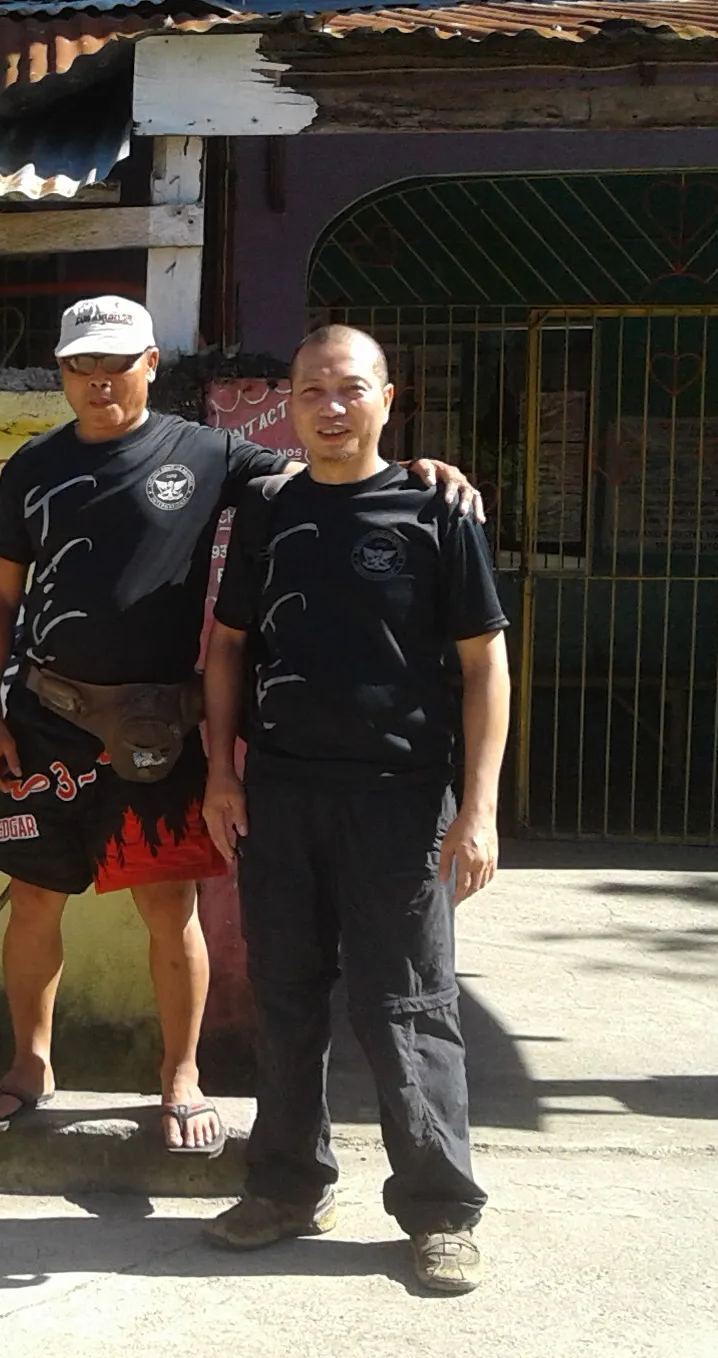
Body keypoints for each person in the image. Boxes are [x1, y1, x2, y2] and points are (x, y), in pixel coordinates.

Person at [0, 296, 476, 1152]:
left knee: (171, 906)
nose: (98, 383)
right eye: (80, 368)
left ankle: (181, 1078)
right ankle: (30, 1066)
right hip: (46, 719)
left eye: (117, 365)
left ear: (153, 365)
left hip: (159, 730)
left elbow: (328, 466)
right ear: (60, 372)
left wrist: (423, 471)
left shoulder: (209, 454)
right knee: (32, 900)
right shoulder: (32, 469)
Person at [200, 325, 507, 1294]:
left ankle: (439, 1209)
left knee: (407, 1005)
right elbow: (227, 647)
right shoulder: (272, 510)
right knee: (286, 997)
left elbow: (482, 663)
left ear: (386, 396)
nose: (330, 408)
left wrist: (482, 808)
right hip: (282, 793)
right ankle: (287, 1184)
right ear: (289, 405)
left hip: (400, 800)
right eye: (311, 392)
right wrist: (221, 768)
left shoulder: (436, 507)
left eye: (349, 389)